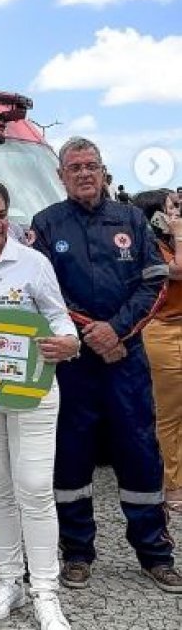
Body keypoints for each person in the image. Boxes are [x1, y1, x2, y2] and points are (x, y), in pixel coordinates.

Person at [31, 136, 182, 593]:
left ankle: (156, 554)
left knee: (139, 453)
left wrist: (116, 331)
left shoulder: (132, 220)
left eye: (90, 165)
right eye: (73, 167)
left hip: (126, 360)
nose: (83, 173)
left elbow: (154, 284)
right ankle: (76, 552)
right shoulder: (46, 223)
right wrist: (91, 335)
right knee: (72, 457)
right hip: (75, 364)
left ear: (103, 170)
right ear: (61, 176)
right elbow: (45, 295)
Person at [0, 183, 79, 630]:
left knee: (36, 487)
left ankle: (46, 591)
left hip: (32, 391)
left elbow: (58, 316)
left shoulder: (33, 262)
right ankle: (10, 582)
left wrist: (69, 341)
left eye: (1, 214)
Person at [134, 189, 182, 511]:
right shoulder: (153, 248)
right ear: (155, 215)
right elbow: (179, 270)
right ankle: (172, 485)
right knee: (169, 412)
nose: (177, 212)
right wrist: (179, 234)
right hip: (162, 331)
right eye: (172, 207)